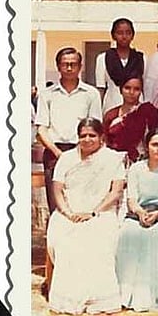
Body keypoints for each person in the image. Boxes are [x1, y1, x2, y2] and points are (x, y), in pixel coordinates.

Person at [46, 118, 126, 314]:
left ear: (101, 138)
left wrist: (93, 212)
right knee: (67, 242)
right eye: (83, 136)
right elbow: (57, 190)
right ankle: (69, 299)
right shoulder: (66, 158)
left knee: (97, 240)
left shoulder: (112, 158)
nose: (87, 139)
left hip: (101, 212)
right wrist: (68, 212)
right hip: (69, 211)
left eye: (92, 135)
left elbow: (115, 192)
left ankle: (98, 299)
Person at [116, 128, 158, 312]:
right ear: (147, 146)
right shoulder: (136, 168)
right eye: (155, 144)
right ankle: (126, 292)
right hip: (138, 214)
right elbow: (132, 199)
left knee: (157, 236)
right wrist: (140, 213)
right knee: (128, 234)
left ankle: (157, 292)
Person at [36, 47, 103, 213]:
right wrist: (58, 153)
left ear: (80, 66)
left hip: (83, 151)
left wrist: (83, 152)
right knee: (56, 205)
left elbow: (96, 127)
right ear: (58, 66)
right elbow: (41, 129)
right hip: (54, 152)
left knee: (82, 202)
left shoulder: (91, 93)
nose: (69, 68)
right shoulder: (47, 94)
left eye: (73, 64)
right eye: (65, 64)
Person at [103, 76, 158, 163]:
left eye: (136, 89)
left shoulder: (149, 112)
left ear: (141, 91)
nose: (131, 92)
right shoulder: (111, 115)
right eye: (127, 88)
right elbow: (106, 143)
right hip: (115, 163)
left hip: (144, 164)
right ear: (120, 90)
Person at [94, 17, 145, 114]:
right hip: (112, 105)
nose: (124, 36)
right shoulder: (103, 58)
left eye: (128, 33)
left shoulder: (141, 58)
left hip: (136, 108)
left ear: (133, 35)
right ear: (113, 35)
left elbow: (145, 88)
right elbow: (101, 89)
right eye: (120, 33)